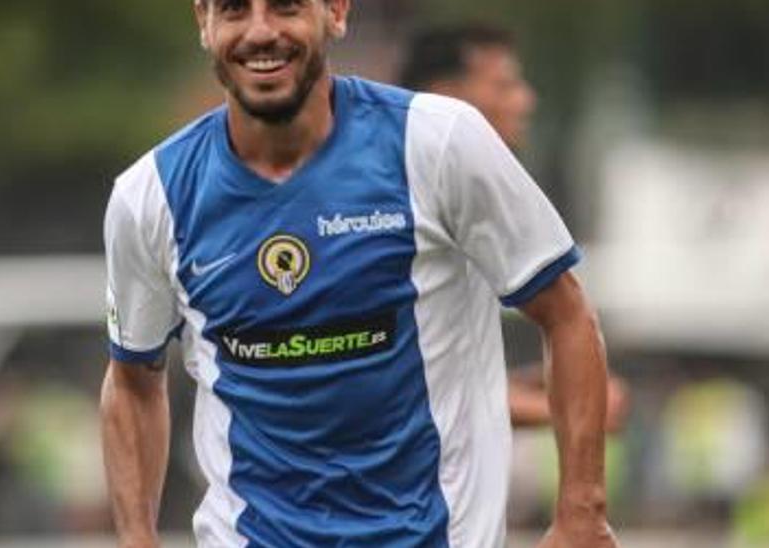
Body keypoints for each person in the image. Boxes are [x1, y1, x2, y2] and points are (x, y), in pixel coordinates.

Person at [101, 1, 618, 547]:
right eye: (233, 9)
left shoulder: (437, 142)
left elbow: (566, 314)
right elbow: (134, 380)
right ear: (203, 20)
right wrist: (137, 540)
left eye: (286, 7)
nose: (260, 31)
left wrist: (582, 512)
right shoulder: (150, 196)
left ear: (337, 12)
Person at [398, 24, 629, 432]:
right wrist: (565, 410)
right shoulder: (395, 203)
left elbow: (435, 377)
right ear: (445, 98)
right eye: (504, 86)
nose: (525, 100)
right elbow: (391, 389)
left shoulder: (456, 196)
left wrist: (536, 384)